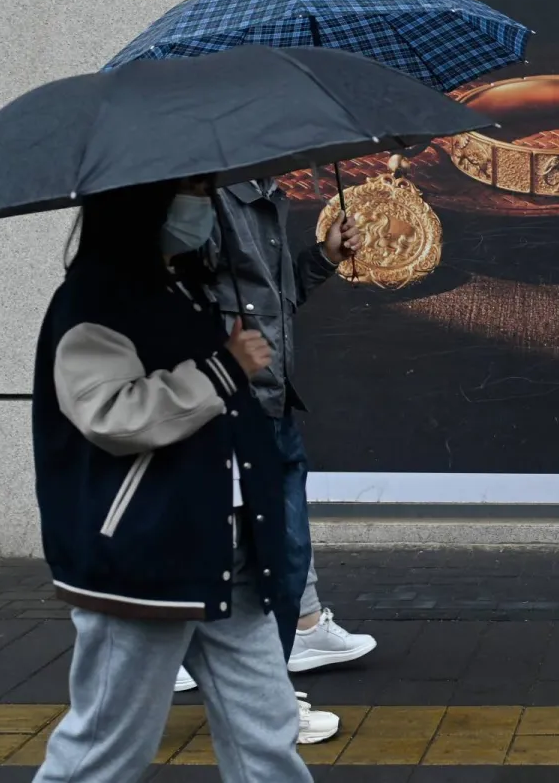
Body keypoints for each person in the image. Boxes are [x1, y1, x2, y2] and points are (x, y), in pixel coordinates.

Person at [33, 178, 312, 782]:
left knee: (267, 732)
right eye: (190, 189)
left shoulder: (181, 284)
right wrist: (222, 370)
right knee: (104, 749)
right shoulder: (95, 297)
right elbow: (111, 414)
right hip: (145, 555)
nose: (205, 202)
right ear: (141, 201)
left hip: (229, 546)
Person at [172, 178, 377, 744]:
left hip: (273, 403)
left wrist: (325, 257)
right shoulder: (210, 202)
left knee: (281, 559)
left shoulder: (265, 197)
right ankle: (265, 699)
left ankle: (257, 690)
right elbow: (178, 298)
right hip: (236, 409)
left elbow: (276, 300)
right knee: (264, 563)